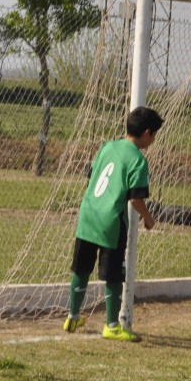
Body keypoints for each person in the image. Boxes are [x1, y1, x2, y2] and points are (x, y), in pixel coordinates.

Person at [64, 106, 164, 342]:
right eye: (154, 135)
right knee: (114, 275)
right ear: (147, 133)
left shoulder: (107, 147)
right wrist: (148, 218)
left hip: (88, 215)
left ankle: (72, 316)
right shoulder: (138, 160)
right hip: (111, 222)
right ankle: (112, 326)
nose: (153, 140)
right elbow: (136, 199)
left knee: (81, 269)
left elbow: (92, 176)